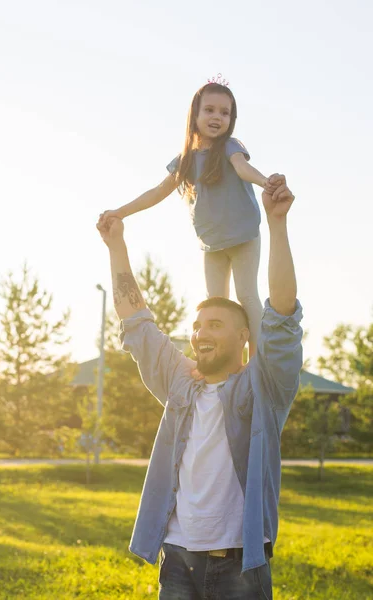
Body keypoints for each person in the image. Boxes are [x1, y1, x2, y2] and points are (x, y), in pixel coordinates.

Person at [96, 174, 302, 599]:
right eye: (195, 325)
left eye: (214, 324)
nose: (198, 333)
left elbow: (282, 316)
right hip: (177, 561)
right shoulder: (180, 384)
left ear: (245, 336)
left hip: (241, 564)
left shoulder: (263, 388)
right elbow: (136, 322)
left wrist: (277, 224)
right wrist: (117, 246)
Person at [101, 76, 284, 357]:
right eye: (209, 110)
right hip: (212, 243)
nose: (217, 117)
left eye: (225, 113)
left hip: (244, 235)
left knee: (247, 297)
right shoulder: (186, 159)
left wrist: (265, 182)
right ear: (195, 115)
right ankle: (223, 362)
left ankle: (258, 363)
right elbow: (157, 192)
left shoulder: (230, 147)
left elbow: (243, 168)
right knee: (215, 303)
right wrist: (120, 212)